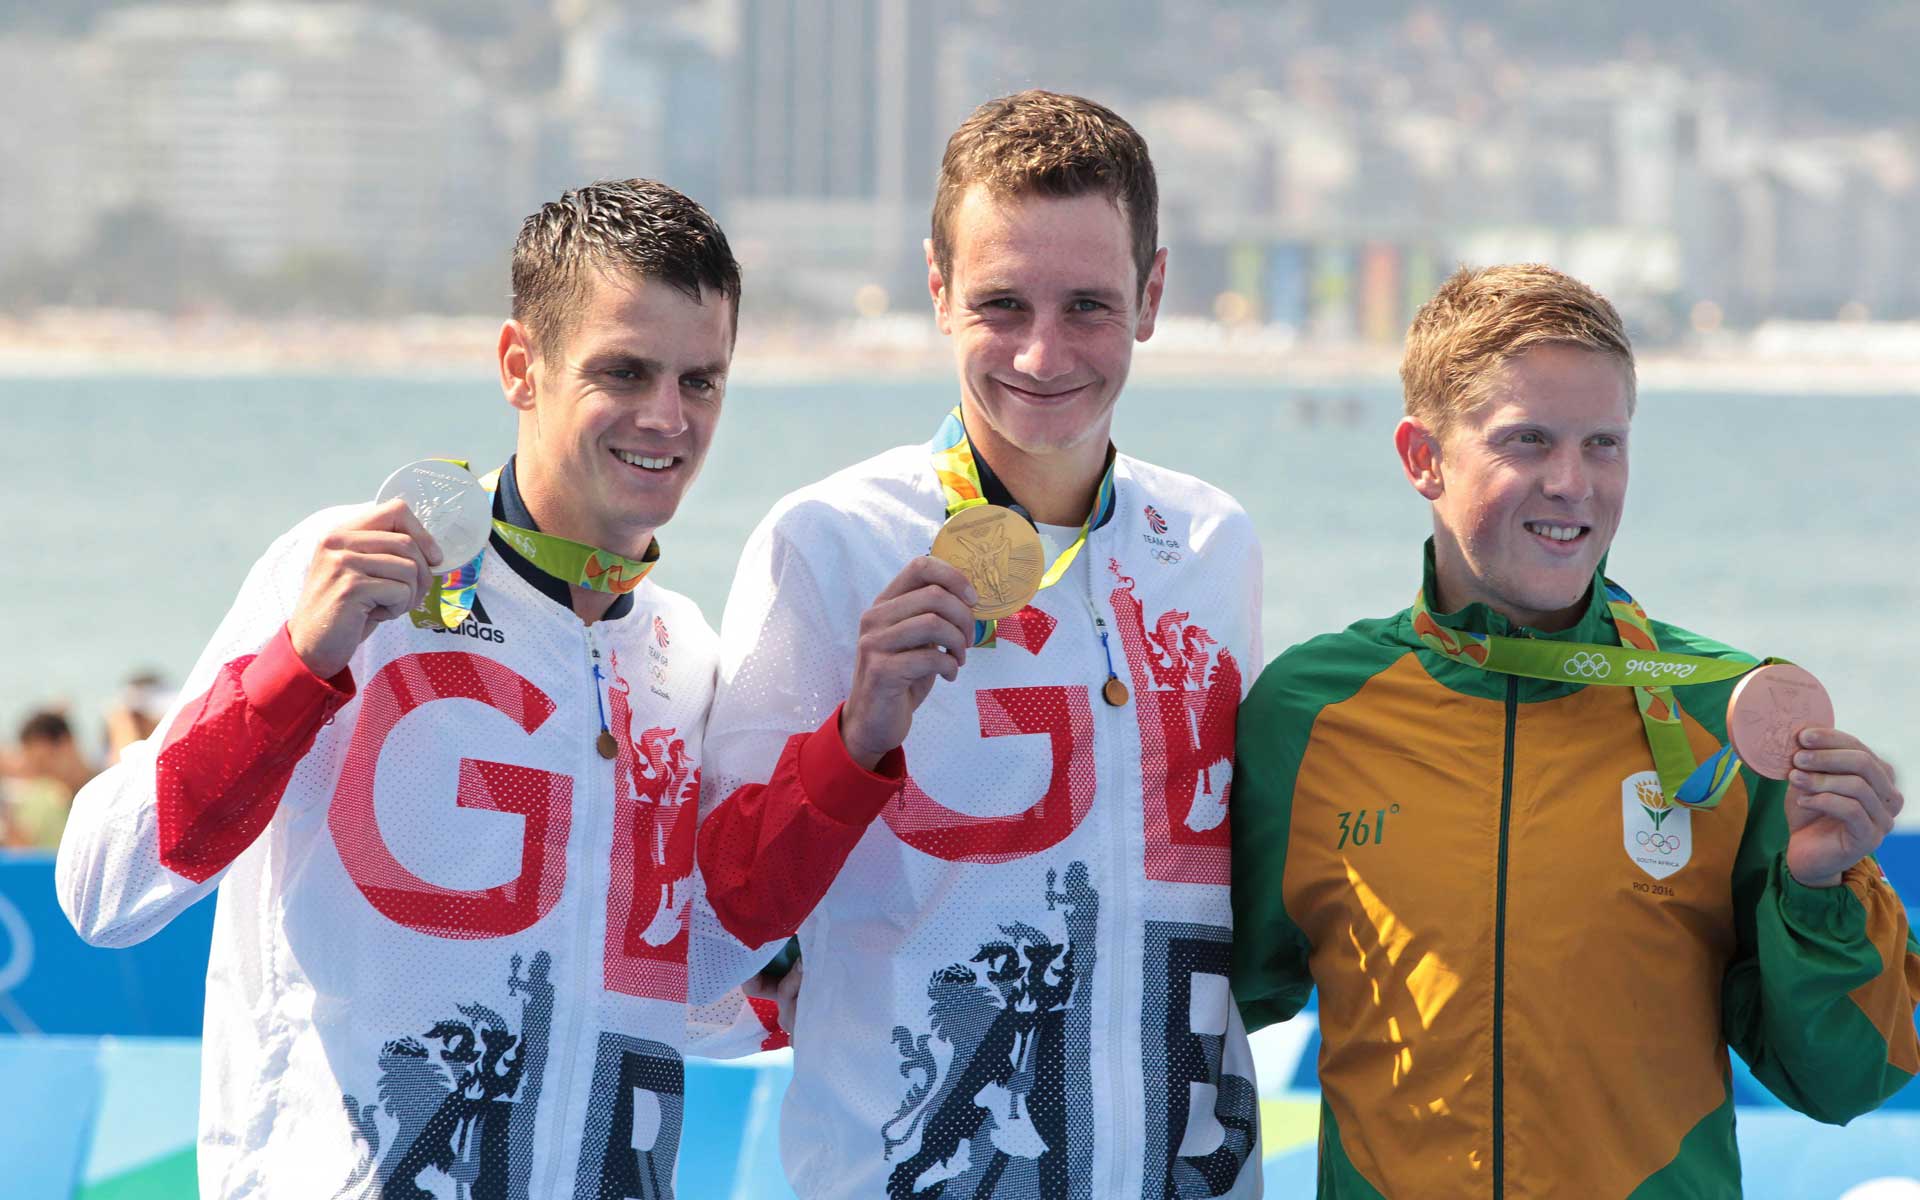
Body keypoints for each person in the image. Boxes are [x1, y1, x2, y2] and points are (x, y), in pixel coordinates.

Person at [57, 179, 745, 1199]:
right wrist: (298, 668)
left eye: (702, 380)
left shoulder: (686, 655)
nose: (666, 417)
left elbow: (688, 999)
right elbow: (102, 892)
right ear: (521, 365)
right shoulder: (348, 572)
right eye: (625, 371)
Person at [1230, 263, 1919, 1197]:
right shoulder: (1308, 713)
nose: (1572, 483)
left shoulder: (1722, 715)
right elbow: (1207, 1004)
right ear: (1421, 457)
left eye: (1604, 443)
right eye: (1528, 441)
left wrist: (1823, 886)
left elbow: (1847, 1082)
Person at [694, 90, 1266, 1198]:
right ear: (938, 291)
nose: (1044, 352)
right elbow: (711, 931)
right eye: (1003, 302)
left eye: (1090, 305)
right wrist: (854, 743)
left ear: (1152, 295)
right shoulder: (830, 541)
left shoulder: (1212, 540)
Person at [2, 709, 91, 849]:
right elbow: (22, 853)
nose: (46, 773)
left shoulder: (107, 790)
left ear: (66, 743)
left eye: (43, 761)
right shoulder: (39, 798)